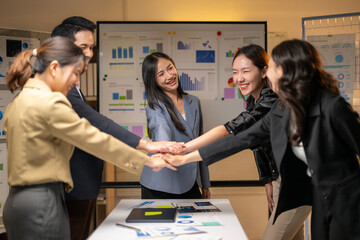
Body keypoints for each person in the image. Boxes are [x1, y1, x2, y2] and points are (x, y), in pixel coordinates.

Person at [164, 39, 360, 239]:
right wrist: (184, 158)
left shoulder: (332, 106)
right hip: (317, 196)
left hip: (348, 199)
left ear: (287, 70)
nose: (268, 72)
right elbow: (242, 139)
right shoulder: (281, 109)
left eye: (272, 66)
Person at [3, 37, 176, 240]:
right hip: (42, 204)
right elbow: (93, 139)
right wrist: (146, 160)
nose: (76, 81)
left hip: (16, 204)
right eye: (75, 73)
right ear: (54, 68)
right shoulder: (50, 102)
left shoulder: (19, 100)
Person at [51, 16, 182, 240]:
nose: (90, 54)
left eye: (92, 47)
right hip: (70, 186)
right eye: (84, 47)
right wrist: (146, 148)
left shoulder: (70, 84)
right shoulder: (59, 87)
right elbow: (95, 125)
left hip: (83, 184)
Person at [182, 44, 311, 240]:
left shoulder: (272, 100)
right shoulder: (254, 100)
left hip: (296, 183)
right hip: (281, 179)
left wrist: (184, 149)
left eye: (245, 71)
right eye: (235, 72)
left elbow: (231, 130)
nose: (239, 78)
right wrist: (268, 180)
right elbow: (258, 145)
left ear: (264, 72)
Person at [140, 52, 211, 199]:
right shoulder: (154, 106)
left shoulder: (194, 101)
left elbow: (201, 141)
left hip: (190, 181)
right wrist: (164, 148)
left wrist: (205, 183)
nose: (169, 76)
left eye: (170, 68)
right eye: (161, 74)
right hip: (161, 182)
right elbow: (161, 130)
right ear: (153, 80)